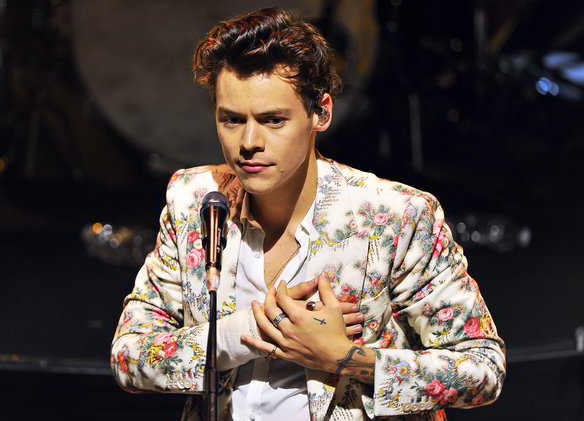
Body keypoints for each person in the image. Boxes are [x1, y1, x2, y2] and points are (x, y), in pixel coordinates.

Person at [110, 7, 505, 421]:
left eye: (273, 120)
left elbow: (484, 367)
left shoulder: (396, 217)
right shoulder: (195, 201)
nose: (249, 141)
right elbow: (128, 355)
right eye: (232, 120)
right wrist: (244, 333)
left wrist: (344, 358)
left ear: (321, 113)